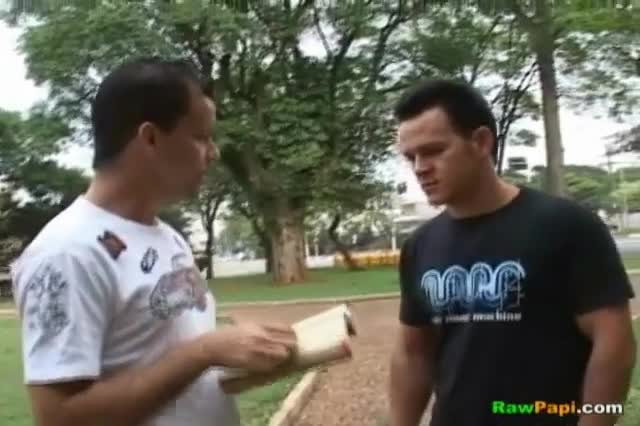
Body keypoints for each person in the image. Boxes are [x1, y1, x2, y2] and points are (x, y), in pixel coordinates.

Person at [10, 57, 297, 426]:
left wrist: (241, 350)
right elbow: (60, 417)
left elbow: (170, 362)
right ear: (150, 138)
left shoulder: (169, 237)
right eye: (201, 137)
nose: (214, 152)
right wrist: (205, 351)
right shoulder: (66, 254)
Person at [388, 79, 637, 426]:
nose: (419, 168)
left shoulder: (566, 226)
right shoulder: (421, 245)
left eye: (433, 151)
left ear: (481, 142)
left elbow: (614, 343)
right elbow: (414, 354)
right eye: (410, 157)